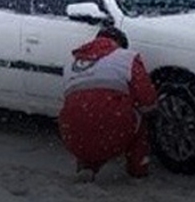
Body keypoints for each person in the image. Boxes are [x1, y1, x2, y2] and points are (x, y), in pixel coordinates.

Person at [58, 25, 159, 182]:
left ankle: (87, 166)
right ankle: (138, 168)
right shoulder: (127, 57)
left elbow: (72, 101)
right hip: (112, 130)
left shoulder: (71, 63)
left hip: (71, 134)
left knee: (85, 120)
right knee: (140, 117)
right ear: (120, 43)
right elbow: (148, 101)